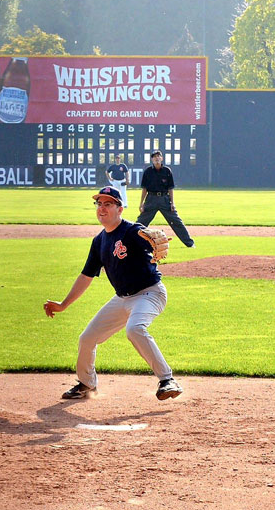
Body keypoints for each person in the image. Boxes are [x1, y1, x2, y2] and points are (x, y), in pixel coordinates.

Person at [44, 186, 183, 401]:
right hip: (122, 299)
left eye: (108, 204)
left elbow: (149, 237)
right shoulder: (99, 241)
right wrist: (63, 304)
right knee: (87, 338)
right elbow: (86, 276)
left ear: (120, 208)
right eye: (99, 204)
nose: (102, 208)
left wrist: (154, 243)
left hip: (149, 293)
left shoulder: (131, 231)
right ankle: (86, 384)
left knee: (135, 329)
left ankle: (167, 380)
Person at [136, 150, 194, 248]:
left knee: (176, 221)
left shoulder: (167, 171)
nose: (156, 158)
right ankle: (131, 243)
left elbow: (170, 188)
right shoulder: (148, 171)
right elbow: (144, 189)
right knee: (141, 222)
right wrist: (141, 203)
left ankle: (190, 243)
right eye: (154, 157)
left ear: (162, 158)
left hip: (164, 199)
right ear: (152, 159)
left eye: (158, 156)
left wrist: (172, 203)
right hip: (151, 199)